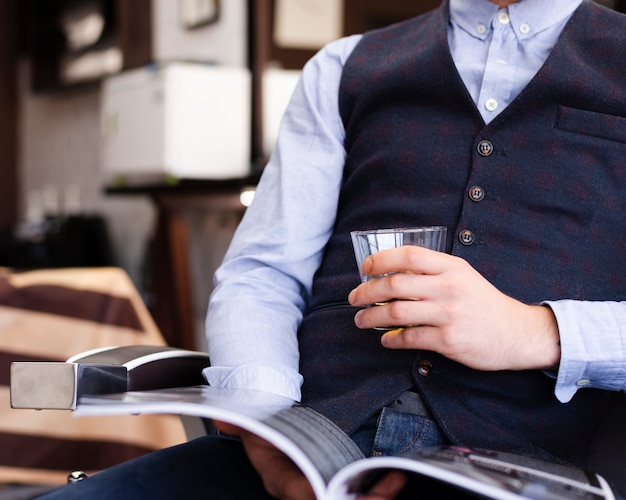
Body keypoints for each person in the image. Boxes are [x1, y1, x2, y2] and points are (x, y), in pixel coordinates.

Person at [39, 0, 626, 498]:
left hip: (516, 472)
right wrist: (267, 432)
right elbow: (263, 273)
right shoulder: (342, 69)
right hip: (306, 450)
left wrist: (534, 330)